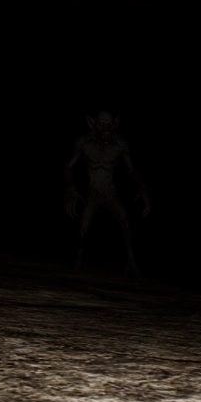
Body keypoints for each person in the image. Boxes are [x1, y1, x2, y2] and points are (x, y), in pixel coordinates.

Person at [64, 110, 150, 277]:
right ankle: (79, 260)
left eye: (110, 125)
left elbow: (131, 170)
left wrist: (143, 185)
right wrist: (70, 188)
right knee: (83, 228)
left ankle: (131, 261)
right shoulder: (84, 142)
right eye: (101, 124)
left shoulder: (121, 144)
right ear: (92, 124)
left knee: (126, 224)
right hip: (93, 193)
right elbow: (68, 166)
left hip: (110, 193)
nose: (106, 129)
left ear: (116, 124)